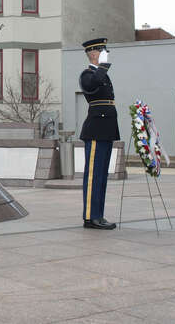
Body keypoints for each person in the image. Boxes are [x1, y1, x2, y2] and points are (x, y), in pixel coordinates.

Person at [79, 38, 119, 230]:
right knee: (93, 175)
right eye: (102, 51)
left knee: (102, 175)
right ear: (93, 54)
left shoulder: (100, 73)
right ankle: (90, 217)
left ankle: (98, 215)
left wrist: (102, 68)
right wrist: (102, 66)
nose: (105, 54)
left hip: (106, 129)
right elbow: (93, 85)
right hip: (95, 129)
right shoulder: (87, 74)